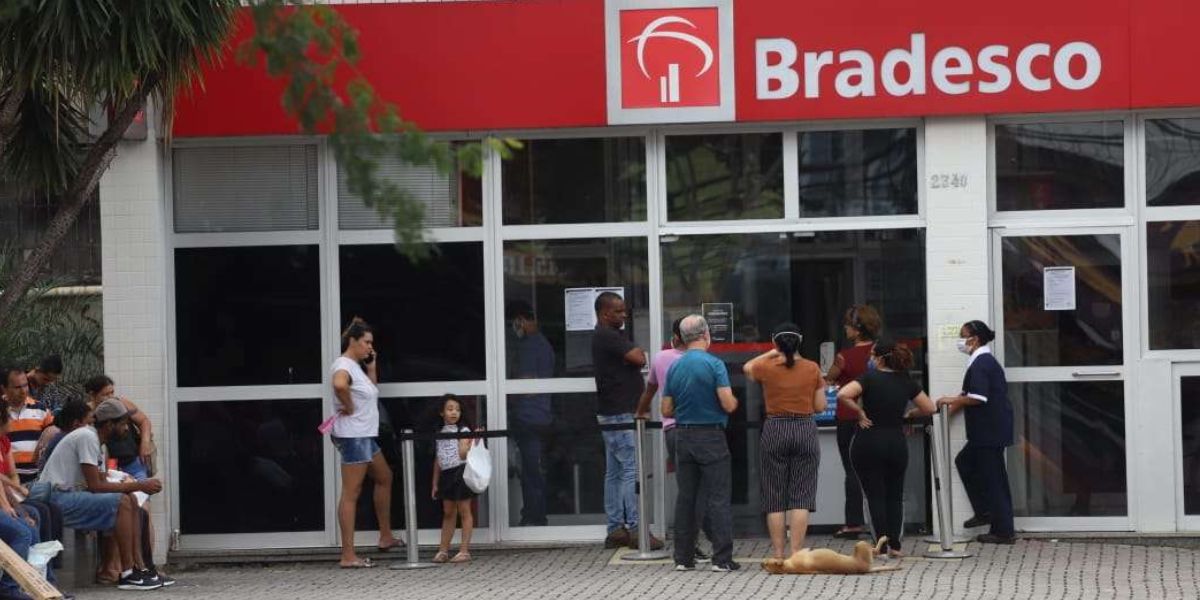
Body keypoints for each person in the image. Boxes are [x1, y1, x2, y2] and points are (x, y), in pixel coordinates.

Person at [33, 398, 171, 591]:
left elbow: (100, 480)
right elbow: (96, 486)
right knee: (123, 501)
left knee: (130, 500)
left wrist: (132, 486)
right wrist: (140, 485)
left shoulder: (97, 441)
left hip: (69, 495)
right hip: (56, 499)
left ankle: (139, 569)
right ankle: (128, 573)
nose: (125, 429)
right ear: (108, 424)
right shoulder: (87, 437)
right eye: (122, 424)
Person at [837, 339, 936, 558]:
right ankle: (896, 546)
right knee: (895, 494)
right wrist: (909, 415)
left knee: (874, 496)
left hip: (868, 441)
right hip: (896, 443)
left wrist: (860, 413)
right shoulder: (906, 381)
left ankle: (879, 546)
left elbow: (843, 394)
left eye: (872, 355)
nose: (870, 358)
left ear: (880, 358)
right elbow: (929, 407)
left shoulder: (869, 378)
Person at [661, 315, 740, 573]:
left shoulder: (675, 366)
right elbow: (728, 403)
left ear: (682, 338)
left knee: (686, 497)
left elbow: (666, 408)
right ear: (706, 334)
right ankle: (722, 558)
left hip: (683, 436)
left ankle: (683, 558)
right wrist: (734, 403)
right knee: (717, 497)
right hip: (711, 436)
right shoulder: (714, 364)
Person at [743, 323, 826, 560]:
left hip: (775, 428)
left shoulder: (767, 367)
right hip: (804, 429)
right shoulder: (812, 368)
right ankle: (796, 553)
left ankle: (778, 555)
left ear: (776, 343)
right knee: (802, 495)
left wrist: (772, 352)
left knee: (775, 496)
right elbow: (820, 406)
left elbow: (748, 367)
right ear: (800, 342)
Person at [635, 317, 710, 562]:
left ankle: (685, 546)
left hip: (672, 431)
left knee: (686, 490)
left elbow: (650, 389)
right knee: (700, 491)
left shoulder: (661, 358)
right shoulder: (704, 361)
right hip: (701, 429)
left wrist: (640, 412)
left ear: (675, 337)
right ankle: (692, 543)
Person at [330, 318, 401, 569]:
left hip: (365, 435)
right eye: (367, 342)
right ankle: (348, 555)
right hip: (354, 436)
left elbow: (369, 392)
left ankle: (385, 536)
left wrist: (371, 367)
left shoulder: (356, 366)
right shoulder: (343, 365)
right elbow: (339, 384)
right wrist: (348, 406)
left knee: (384, 477)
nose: (370, 347)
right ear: (353, 341)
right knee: (351, 493)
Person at [591, 292, 660, 549]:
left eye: (624, 310)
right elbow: (639, 358)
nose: (624, 315)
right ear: (604, 313)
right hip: (619, 412)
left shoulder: (607, 335)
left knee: (615, 472)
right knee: (631, 469)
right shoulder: (607, 336)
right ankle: (635, 528)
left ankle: (615, 527)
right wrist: (638, 352)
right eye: (618, 311)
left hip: (613, 411)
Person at [937, 320, 1016, 544]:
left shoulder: (981, 363)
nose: (960, 341)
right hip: (988, 431)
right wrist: (943, 413)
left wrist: (949, 399)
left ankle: (1002, 530)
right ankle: (986, 512)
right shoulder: (979, 362)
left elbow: (977, 397)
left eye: (963, 336)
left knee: (993, 478)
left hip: (988, 432)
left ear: (975, 339)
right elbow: (967, 394)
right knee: (966, 462)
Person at [823, 304, 882, 539]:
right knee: (876, 470)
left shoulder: (844, 356)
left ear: (857, 330)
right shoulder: (880, 352)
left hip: (849, 417)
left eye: (848, 326)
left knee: (853, 470)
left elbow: (829, 378)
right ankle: (881, 522)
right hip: (876, 417)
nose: (845, 329)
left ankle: (854, 522)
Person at [507, 302, 553, 527]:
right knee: (532, 468)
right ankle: (535, 514)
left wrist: (507, 397)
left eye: (516, 321)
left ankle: (534, 517)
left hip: (529, 416)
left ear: (523, 320)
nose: (515, 326)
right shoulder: (542, 344)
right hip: (538, 414)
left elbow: (526, 384)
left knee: (531, 470)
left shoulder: (530, 346)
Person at [72, 375, 155, 480]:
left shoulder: (121, 403)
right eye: (105, 394)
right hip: (106, 466)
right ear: (92, 395)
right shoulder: (86, 414)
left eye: (112, 392)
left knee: (142, 491)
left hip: (131, 462)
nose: (111, 397)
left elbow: (144, 421)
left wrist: (145, 443)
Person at [431, 394, 478, 563]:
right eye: (450, 409)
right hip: (446, 474)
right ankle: (443, 550)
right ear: (441, 412)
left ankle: (464, 550)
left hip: (460, 472)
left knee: (465, 511)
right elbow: (438, 459)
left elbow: (463, 454)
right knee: (448, 512)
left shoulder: (463, 430)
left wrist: (470, 443)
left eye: (457, 410)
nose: (454, 413)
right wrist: (435, 482)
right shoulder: (439, 432)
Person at [3, 367, 54, 483]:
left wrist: (51, 430)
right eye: (17, 387)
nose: (23, 391)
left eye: (25, 385)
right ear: (4, 388)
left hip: (37, 478)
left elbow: (55, 429)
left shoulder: (41, 409)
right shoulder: (1, 411)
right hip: (7, 480)